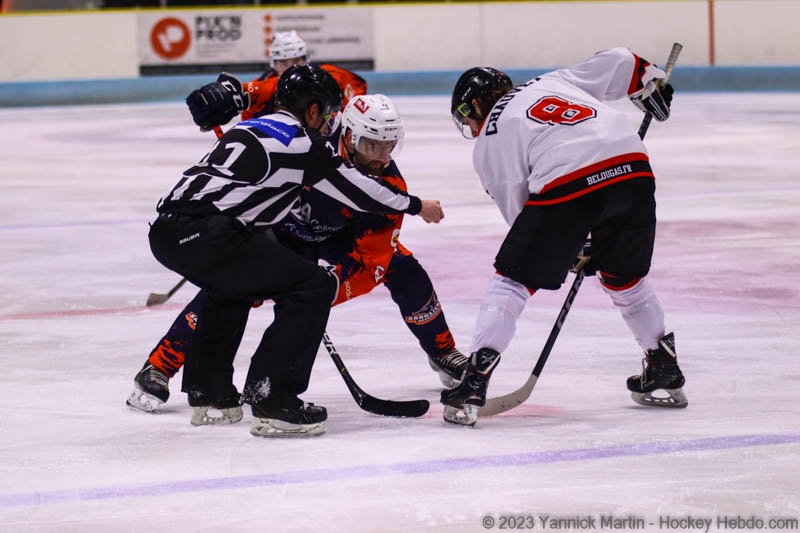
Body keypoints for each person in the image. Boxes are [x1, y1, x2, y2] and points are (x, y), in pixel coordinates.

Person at [148, 65, 444, 438]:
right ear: (314, 110)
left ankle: (211, 395)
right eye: (329, 113)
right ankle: (274, 399)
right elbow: (360, 191)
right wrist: (417, 205)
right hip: (209, 232)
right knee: (314, 287)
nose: (330, 122)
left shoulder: (249, 126)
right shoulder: (304, 144)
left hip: (166, 230)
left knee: (232, 289)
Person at [440, 47, 687, 426]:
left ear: (474, 105)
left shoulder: (489, 136)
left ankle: (474, 380)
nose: (470, 126)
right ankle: (663, 364)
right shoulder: (552, 81)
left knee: (513, 279)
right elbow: (620, 60)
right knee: (625, 279)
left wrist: (571, 247)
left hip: (569, 181)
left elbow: (522, 214)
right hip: (635, 172)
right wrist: (646, 83)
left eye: (465, 116)